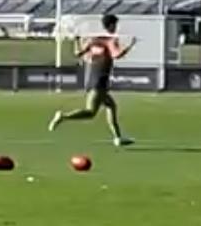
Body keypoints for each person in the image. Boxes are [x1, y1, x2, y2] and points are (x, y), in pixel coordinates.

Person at [48, 14, 136, 147]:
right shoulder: (110, 40)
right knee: (90, 112)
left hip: (91, 79)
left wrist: (77, 40)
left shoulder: (94, 40)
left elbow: (78, 53)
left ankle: (118, 137)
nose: (116, 28)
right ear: (111, 25)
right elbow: (116, 55)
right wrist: (130, 45)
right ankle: (63, 117)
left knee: (111, 106)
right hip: (100, 80)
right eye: (115, 25)